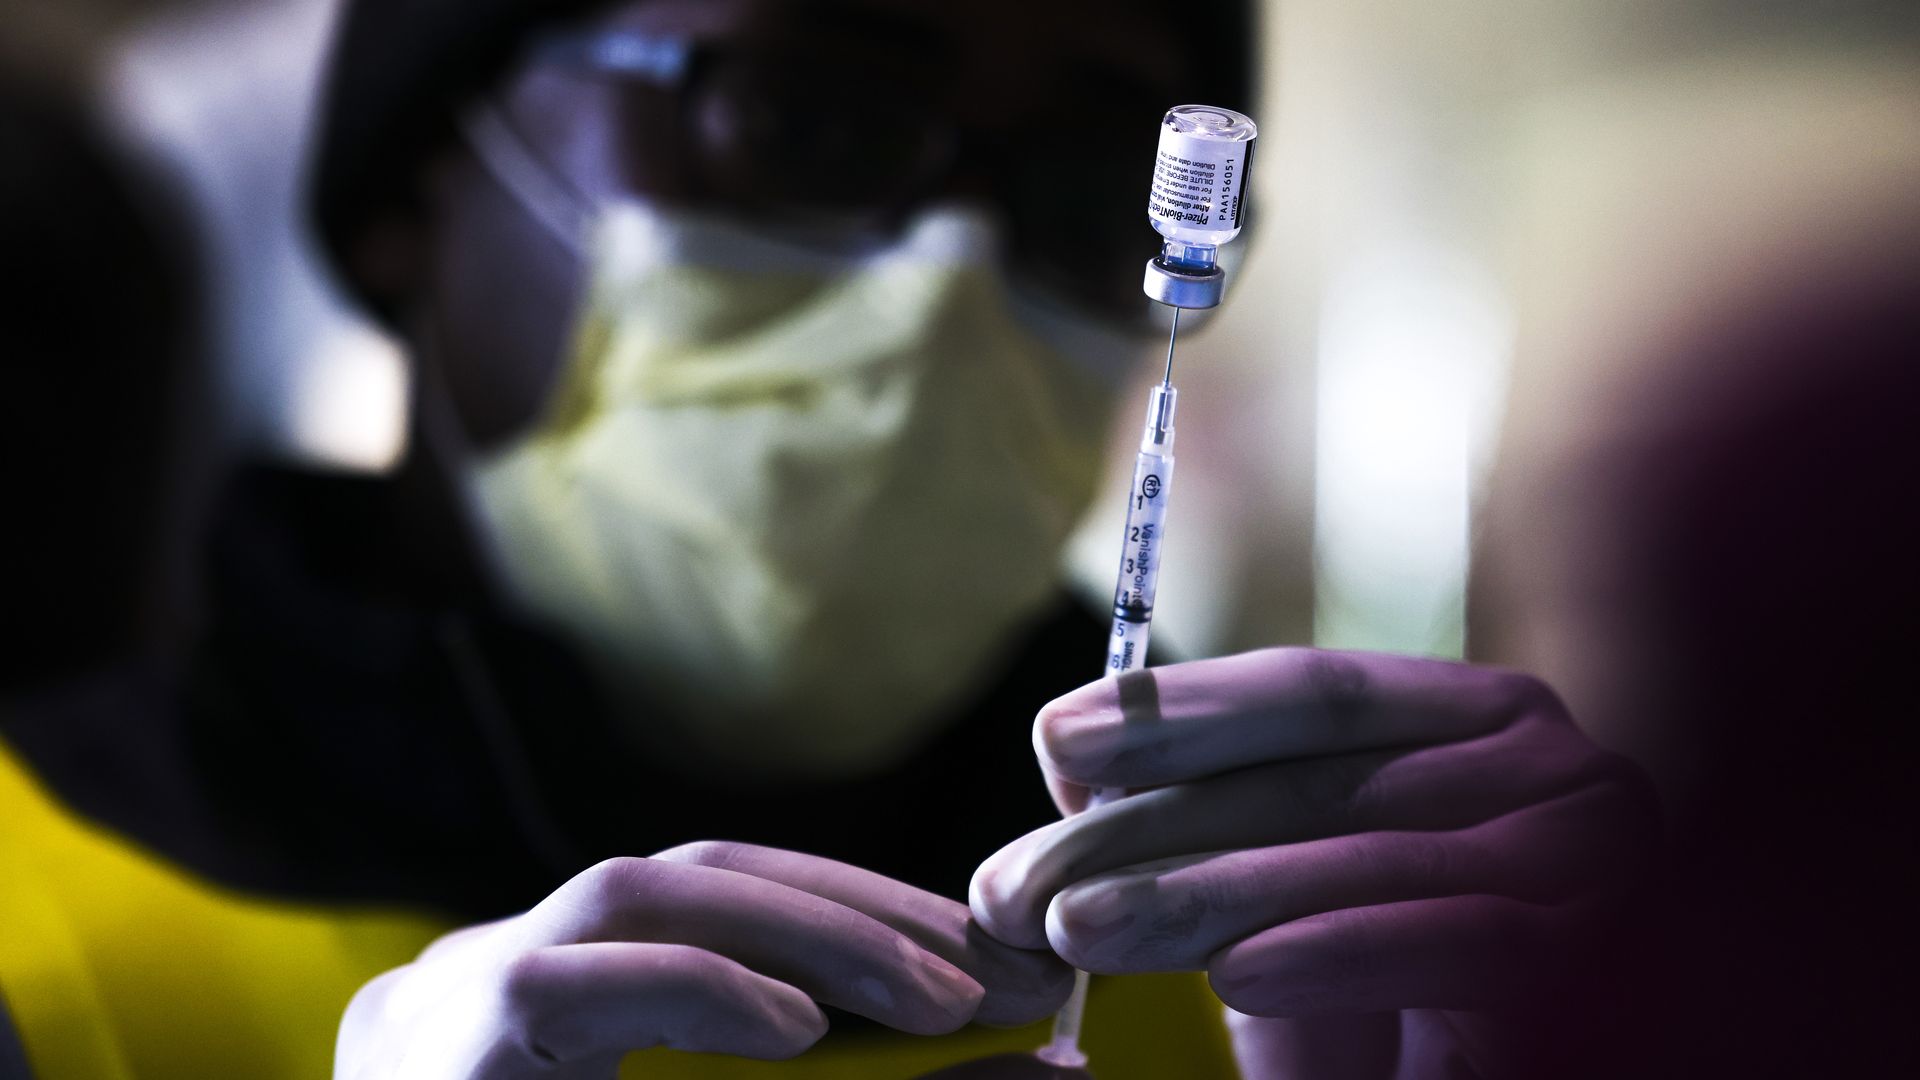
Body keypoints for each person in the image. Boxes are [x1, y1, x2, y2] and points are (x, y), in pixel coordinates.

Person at [4, 1, 1661, 1078]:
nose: (946, 269)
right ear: (416, 183)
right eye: (803, 118)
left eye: (1089, 184)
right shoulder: (40, 934)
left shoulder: (1297, 977)